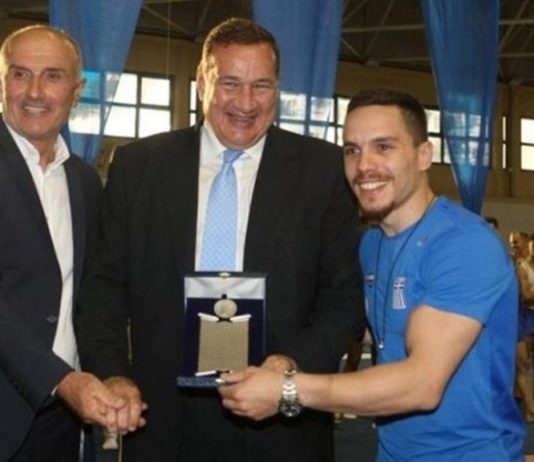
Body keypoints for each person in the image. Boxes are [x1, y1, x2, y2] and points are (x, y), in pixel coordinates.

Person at [75, 17, 364, 462]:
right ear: (201, 82)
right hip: (160, 416)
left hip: (282, 420)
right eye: (230, 83)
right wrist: (113, 373)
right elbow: (103, 286)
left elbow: (343, 296)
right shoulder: (138, 166)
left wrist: (288, 368)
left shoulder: (324, 170)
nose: (246, 103)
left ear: (277, 89)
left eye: (261, 86)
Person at [219, 88, 525, 461]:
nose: (364, 165)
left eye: (384, 147)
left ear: (424, 155)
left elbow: (421, 385)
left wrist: (287, 389)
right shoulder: (371, 245)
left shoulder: (464, 244)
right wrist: (285, 359)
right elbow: (365, 326)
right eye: (352, 150)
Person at [0, 25, 129, 462]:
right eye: (20, 74)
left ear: (76, 92)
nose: (34, 92)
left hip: (65, 420)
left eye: (52, 76)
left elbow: (90, 294)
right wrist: (61, 380)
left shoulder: (84, 182)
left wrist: (111, 373)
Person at [509, 230, 534, 422]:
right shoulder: (519, 267)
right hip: (521, 317)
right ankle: (531, 408)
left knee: (523, 364)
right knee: (522, 364)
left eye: (517, 242)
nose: (514, 246)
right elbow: (526, 297)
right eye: (512, 243)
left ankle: (522, 396)